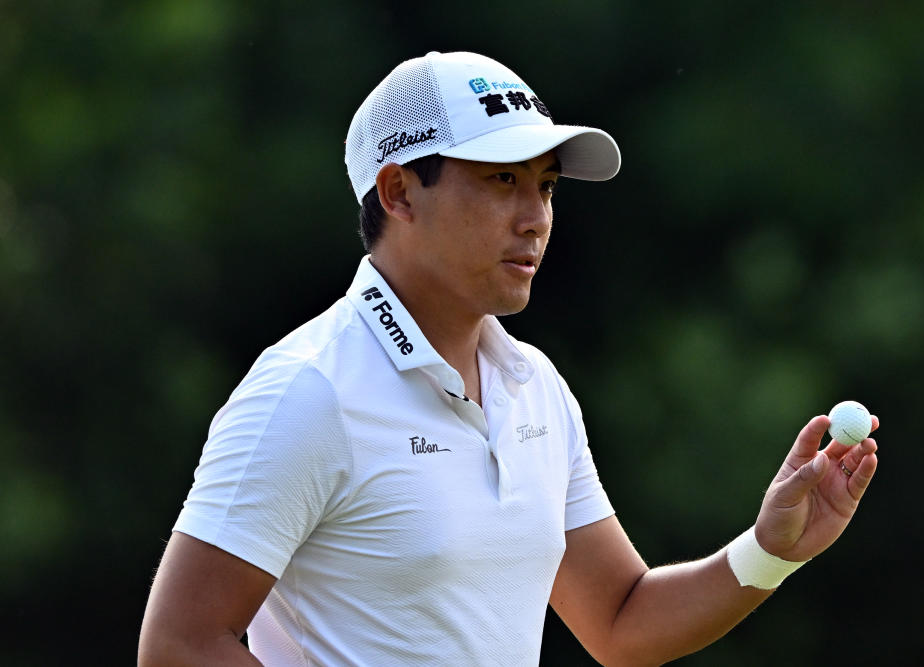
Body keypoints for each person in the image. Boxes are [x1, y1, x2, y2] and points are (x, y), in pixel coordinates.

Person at [138, 51, 879, 666]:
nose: (536, 218)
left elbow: (621, 621)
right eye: (502, 181)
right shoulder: (307, 389)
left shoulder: (537, 390)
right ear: (398, 191)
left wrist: (770, 551)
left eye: (546, 185)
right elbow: (179, 644)